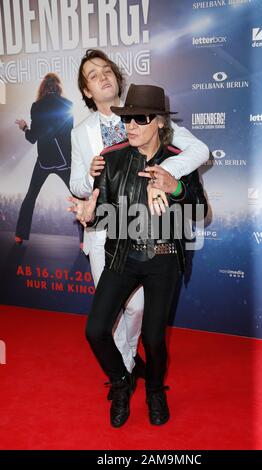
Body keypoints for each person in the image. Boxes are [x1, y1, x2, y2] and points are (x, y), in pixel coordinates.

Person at [68, 84, 208, 427]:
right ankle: (121, 381)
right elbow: (103, 210)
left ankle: (155, 390)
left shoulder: (178, 160)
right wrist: (89, 212)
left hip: (163, 260)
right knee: (95, 330)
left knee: (154, 339)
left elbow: (201, 208)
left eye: (139, 119)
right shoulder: (113, 158)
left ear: (159, 122)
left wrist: (173, 186)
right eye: (126, 118)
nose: (129, 125)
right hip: (121, 257)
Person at [15, 73, 74, 244]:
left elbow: (33, 137)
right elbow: (69, 135)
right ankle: (85, 240)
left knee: (30, 196)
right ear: (58, 86)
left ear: (43, 87)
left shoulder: (37, 106)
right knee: (78, 198)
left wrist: (24, 127)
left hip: (44, 161)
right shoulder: (68, 105)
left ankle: (20, 235)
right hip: (64, 161)